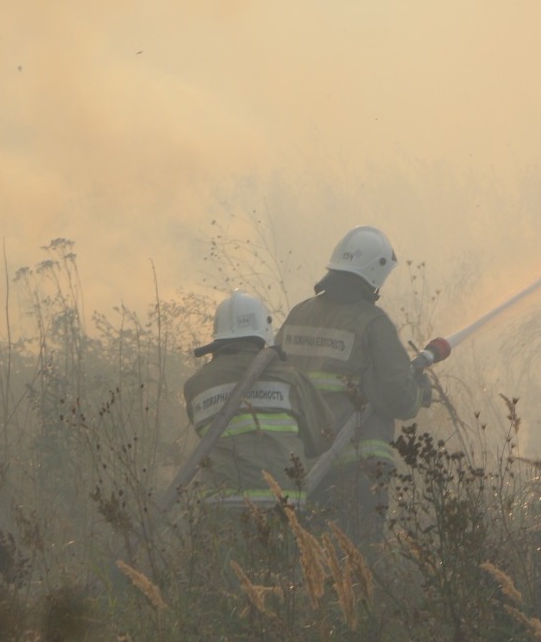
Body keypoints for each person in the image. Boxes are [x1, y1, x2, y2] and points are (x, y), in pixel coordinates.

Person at [277, 225, 430, 544]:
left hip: (299, 467)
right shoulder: (372, 323)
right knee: (357, 561)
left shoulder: (298, 315)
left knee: (308, 558)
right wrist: (420, 392)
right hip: (358, 469)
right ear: (375, 274)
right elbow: (398, 397)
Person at [183, 289, 332, 510]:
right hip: (283, 507)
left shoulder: (196, 385)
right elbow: (322, 438)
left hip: (219, 507)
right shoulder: (290, 378)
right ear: (264, 329)